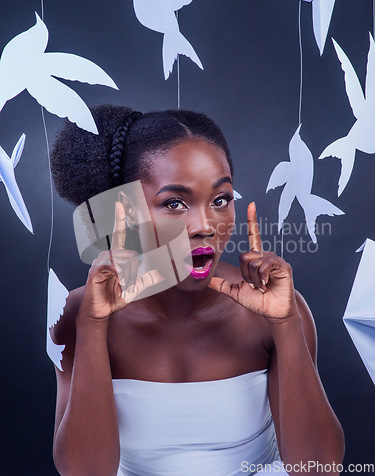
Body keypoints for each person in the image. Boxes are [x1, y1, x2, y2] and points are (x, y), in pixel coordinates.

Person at [50, 105, 345, 476]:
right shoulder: (75, 316)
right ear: (125, 212)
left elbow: (318, 470)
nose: (205, 225)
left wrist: (286, 324)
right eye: (175, 203)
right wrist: (93, 326)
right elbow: (85, 473)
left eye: (221, 200)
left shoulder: (276, 309)